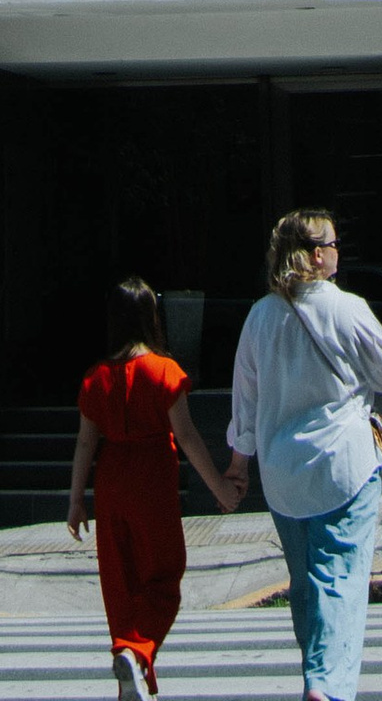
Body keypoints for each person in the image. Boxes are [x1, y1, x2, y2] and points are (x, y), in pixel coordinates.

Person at [224, 209, 382, 701]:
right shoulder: (348, 308)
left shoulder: (260, 316)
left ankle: (316, 673)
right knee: (339, 576)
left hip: (282, 475)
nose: (339, 251)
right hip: (343, 465)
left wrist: (239, 464)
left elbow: (245, 398)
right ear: (317, 255)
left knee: (306, 584)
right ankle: (327, 685)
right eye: (335, 244)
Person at [67, 275, 240, 701]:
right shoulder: (165, 371)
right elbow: (188, 437)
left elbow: (85, 443)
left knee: (120, 581)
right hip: (151, 483)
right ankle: (136, 652)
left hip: (110, 484)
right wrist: (219, 487)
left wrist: (75, 501)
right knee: (163, 575)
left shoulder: (95, 379)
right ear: (152, 318)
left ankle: (136, 671)